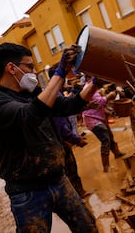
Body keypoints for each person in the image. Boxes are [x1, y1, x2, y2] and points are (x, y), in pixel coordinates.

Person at [0, 42, 100, 232]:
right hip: (26, 192)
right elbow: (29, 115)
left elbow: (70, 105)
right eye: (29, 66)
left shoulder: (31, 92)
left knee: (88, 228)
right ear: (11, 68)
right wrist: (60, 72)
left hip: (58, 180)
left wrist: (95, 84)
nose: (34, 72)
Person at [48, 64, 90, 199]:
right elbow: (61, 126)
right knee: (70, 170)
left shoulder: (53, 93)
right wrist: (77, 140)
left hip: (57, 141)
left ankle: (76, 195)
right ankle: (78, 196)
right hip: (61, 142)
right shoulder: (56, 96)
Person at [82, 76, 125, 173]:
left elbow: (99, 106)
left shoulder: (91, 87)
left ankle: (117, 153)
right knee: (105, 139)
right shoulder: (88, 88)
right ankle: (106, 166)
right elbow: (100, 102)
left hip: (98, 117)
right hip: (92, 119)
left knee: (109, 135)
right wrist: (109, 96)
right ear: (89, 78)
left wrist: (110, 112)